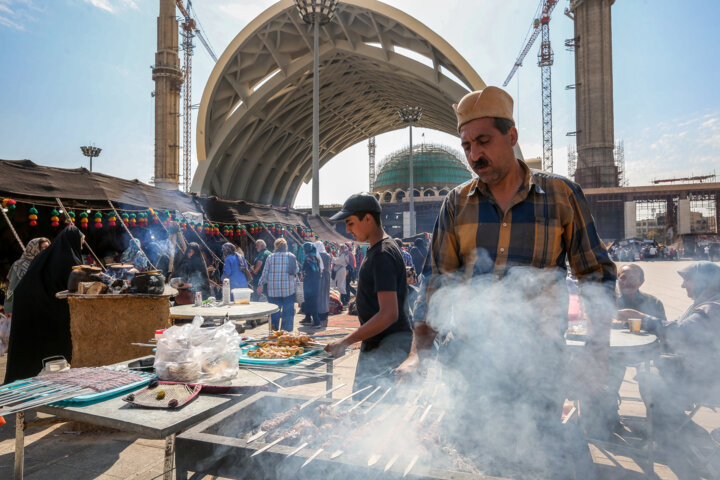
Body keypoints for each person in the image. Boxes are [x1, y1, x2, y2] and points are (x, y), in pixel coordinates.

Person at [395, 86, 616, 476]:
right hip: (468, 365)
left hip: (539, 367)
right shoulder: (456, 203)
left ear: (511, 136)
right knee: (467, 460)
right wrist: (417, 354)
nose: (474, 155)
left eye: (483, 141)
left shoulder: (561, 195)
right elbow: (435, 283)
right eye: (466, 146)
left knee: (533, 462)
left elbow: (596, 275)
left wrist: (597, 351)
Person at [618, 262, 720, 442]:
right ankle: (668, 423)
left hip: (707, 381)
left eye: (687, 280)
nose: (682, 285)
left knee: (648, 376)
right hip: (703, 370)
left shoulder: (713, 307)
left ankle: (666, 431)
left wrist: (642, 318)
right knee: (647, 366)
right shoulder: (709, 302)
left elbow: (679, 331)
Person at [325, 193, 413, 390]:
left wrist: (345, 341)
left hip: (387, 348)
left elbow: (389, 314)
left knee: (372, 410)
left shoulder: (382, 254)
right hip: (380, 344)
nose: (347, 230)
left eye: (350, 223)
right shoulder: (381, 248)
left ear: (368, 219)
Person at [4, 226, 83, 383]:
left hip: (33, 306)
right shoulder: (67, 259)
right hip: (41, 307)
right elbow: (12, 288)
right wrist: (8, 307)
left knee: (35, 345)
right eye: (81, 242)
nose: (81, 246)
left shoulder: (45, 258)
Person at [257, 238, 298, 331]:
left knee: (274, 312)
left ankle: (274, 332)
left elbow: (265, 274)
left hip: (273, 291)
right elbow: (296, 271)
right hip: (288, 290)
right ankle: (286, 333)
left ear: (276, 246)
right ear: (286, 246)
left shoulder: (270, 257)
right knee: (287, 313)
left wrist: (260, 284)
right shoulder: (291, 256)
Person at [4, 237, 50, 315]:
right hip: (25, 308)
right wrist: (8, 308)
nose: (46, 250)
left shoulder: (47, 264)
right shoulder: (19, 265)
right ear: (34, 249)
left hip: (44, 308)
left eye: (47, 247)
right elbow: (11, 289)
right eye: (43, 248)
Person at [300, 242, 322, 328]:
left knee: (311, 301)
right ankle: (308, 318)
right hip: (315, 282)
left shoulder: (308, 258)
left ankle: (317, 322)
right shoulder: (315, 256)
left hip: (310, 283)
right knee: (309, 301)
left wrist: (303, 274)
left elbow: (311, 271)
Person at [315, 241, 332, 325]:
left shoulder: (316, 255)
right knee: (325, 295)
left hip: (319, 277)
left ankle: (320, 313)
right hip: (327, 276)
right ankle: (325, 312)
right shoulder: (327, 255)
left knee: (319, 295)